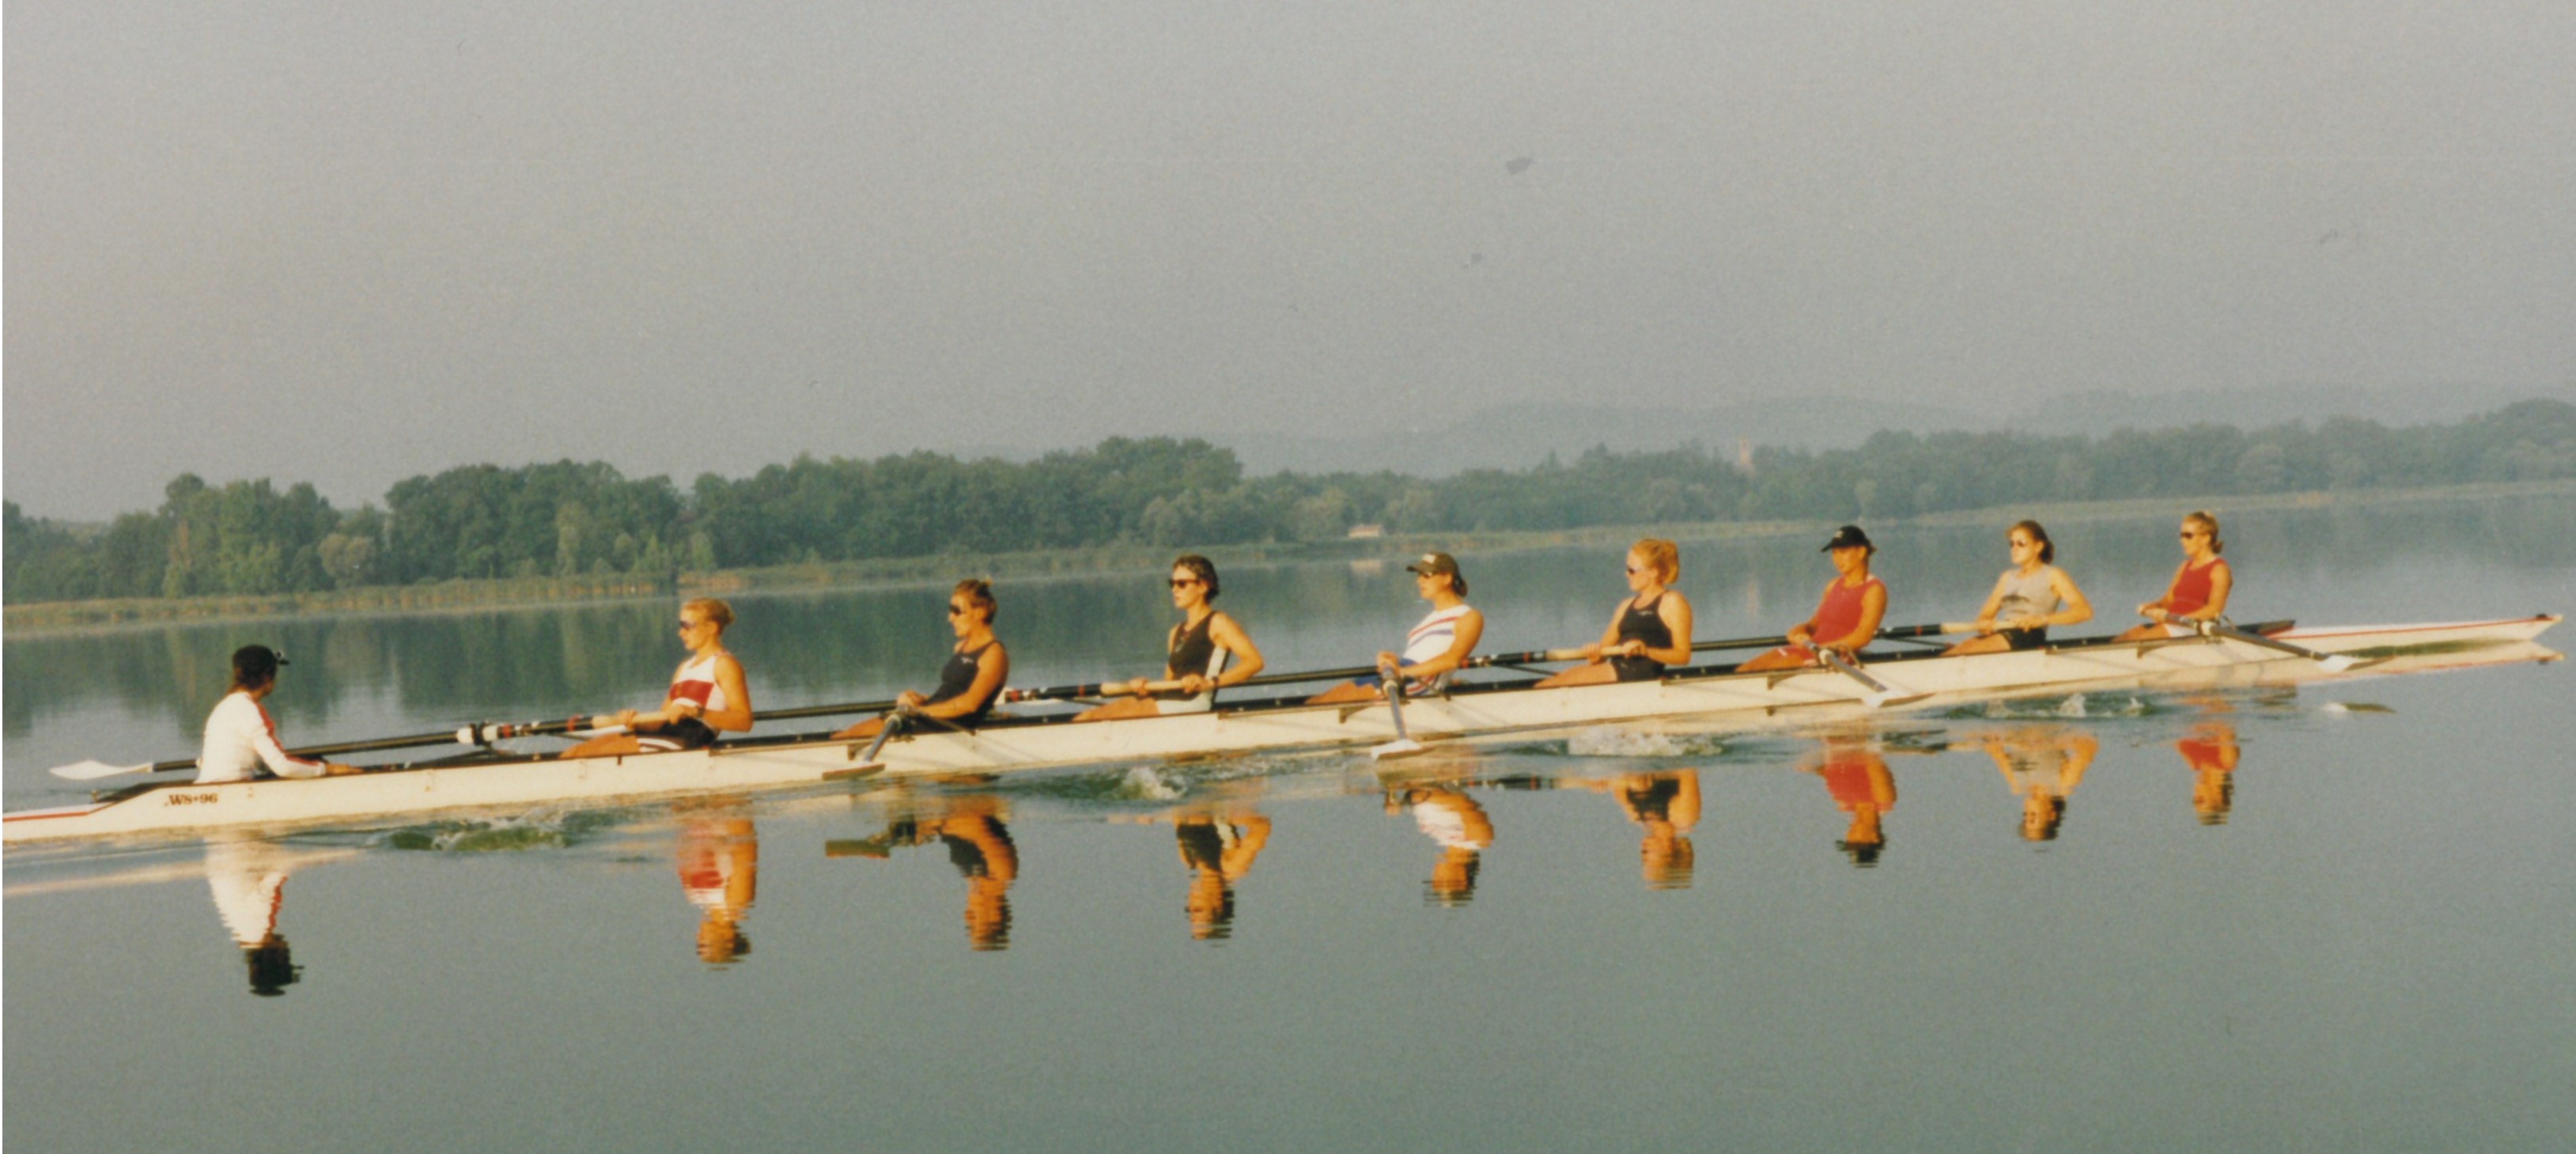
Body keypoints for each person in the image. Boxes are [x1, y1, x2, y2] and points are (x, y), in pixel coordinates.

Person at [1076, 555, 1264, 721]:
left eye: (1182, 584)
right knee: (1087, 717)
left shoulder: (1219, 622)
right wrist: (1146, 687)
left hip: (1193, 704)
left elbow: (1254, 662)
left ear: (1203, 586)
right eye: (1172, 584)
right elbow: (1168, 682)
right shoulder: (1175, 632)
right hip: (1168, 701)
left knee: (1096, 718)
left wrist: (1210, 682)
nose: (1175, 590)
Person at [564, 598, 753, 759]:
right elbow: (662, 718)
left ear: (711, 627)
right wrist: (633, 719)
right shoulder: (684, 668)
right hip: (667, 734)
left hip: (689, 738)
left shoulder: (725, 665)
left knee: (581, 755)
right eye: (681, 626)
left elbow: (744, 721)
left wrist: (698, 712)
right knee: (573, 753)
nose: (681, 633)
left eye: (687, 626)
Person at [834, 580, 1010, 739]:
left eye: (957, 611)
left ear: (980, 612)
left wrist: (918, 711)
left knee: (845, 738)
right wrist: (922, 699)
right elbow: (952, 694)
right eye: (951, 611)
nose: (950, 618)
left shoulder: (994, 654)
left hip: (949, 727)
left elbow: (970, 704)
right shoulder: (961, 647)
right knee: (841, 735)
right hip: (931, 719)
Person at [1310, 552, 1485, 703]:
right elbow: (1417, 655)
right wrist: (1391, 661)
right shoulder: (1429, 619)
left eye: (1426, 575)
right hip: (1402, 674)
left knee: (1330, 703)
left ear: (1447, 578)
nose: (1419, 581)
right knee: (1318, 700)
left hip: (1418, 683)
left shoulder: (1469, 616)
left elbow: (1451, 660)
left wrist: (1402, 672)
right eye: (1418, 575)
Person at [1534, 539, 1694, 688]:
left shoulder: (1673, 602)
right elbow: (1602, 654)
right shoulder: (1626, 605)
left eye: (1632, 570)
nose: (1626, 574)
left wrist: (1646, 651)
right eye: (1627, 569)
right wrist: (1595, 653)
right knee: (1552, 682)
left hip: (1639, 676)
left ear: (1653, 572)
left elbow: (1683, 655)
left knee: (1562, 681)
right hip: (1616, 670)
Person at [196, 645, 363, 784]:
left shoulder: (223, 707)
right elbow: (283, 767)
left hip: (210, 785)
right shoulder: (249, 710)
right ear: (268, 677)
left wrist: (308, 763)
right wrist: (327, 769)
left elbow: (260, 763)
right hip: (231, 790)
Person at [1742, 525, 1888, 672]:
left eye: (1843, 552)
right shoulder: (1833, 585)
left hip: (1835, 657)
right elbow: (1813, 625)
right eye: (1834, 553)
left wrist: (1825, 648)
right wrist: (1796, 632)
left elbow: (1863, 637)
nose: (1837, 559)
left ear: (1861, 552)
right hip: (1813, 650)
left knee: (1773, 668)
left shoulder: (1874, 590)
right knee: (1746, 669)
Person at [1944, 520, 2094, 655]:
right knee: (1966, 645)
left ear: (2038, 546)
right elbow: (1985, 616)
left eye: (2021, 543)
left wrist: (2042, 619)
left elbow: (2084, 612)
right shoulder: (2007, 577)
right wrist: (1984, 625)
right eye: (2012, 544)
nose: (2014, 549)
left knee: (1967, 649)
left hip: (2030, 635)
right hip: (2004, 632)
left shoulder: (2054, 575)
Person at [2116, 510, 2233, 642]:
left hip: (2192, 628)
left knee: (2139, 642)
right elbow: (2168, 601)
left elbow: (2214, 610)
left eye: (2188, 536)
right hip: (2172, 624)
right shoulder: (2184, 566)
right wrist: (2152, 606)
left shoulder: (2219, 569)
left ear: (2206, 538)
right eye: (2181, 535)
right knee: (2120, 641)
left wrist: (2173, 619)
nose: (2182, 541)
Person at [1975, 727, 2098, 842]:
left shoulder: (2017, 785)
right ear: (2051, 814)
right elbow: (2089, 747)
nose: (2027, 808)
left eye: (2026, 815)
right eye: (2033, 815)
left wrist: (1990, 738)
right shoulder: (2064, 785)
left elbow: (1995, 750)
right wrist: (2054, 743)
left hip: (2016, 728)